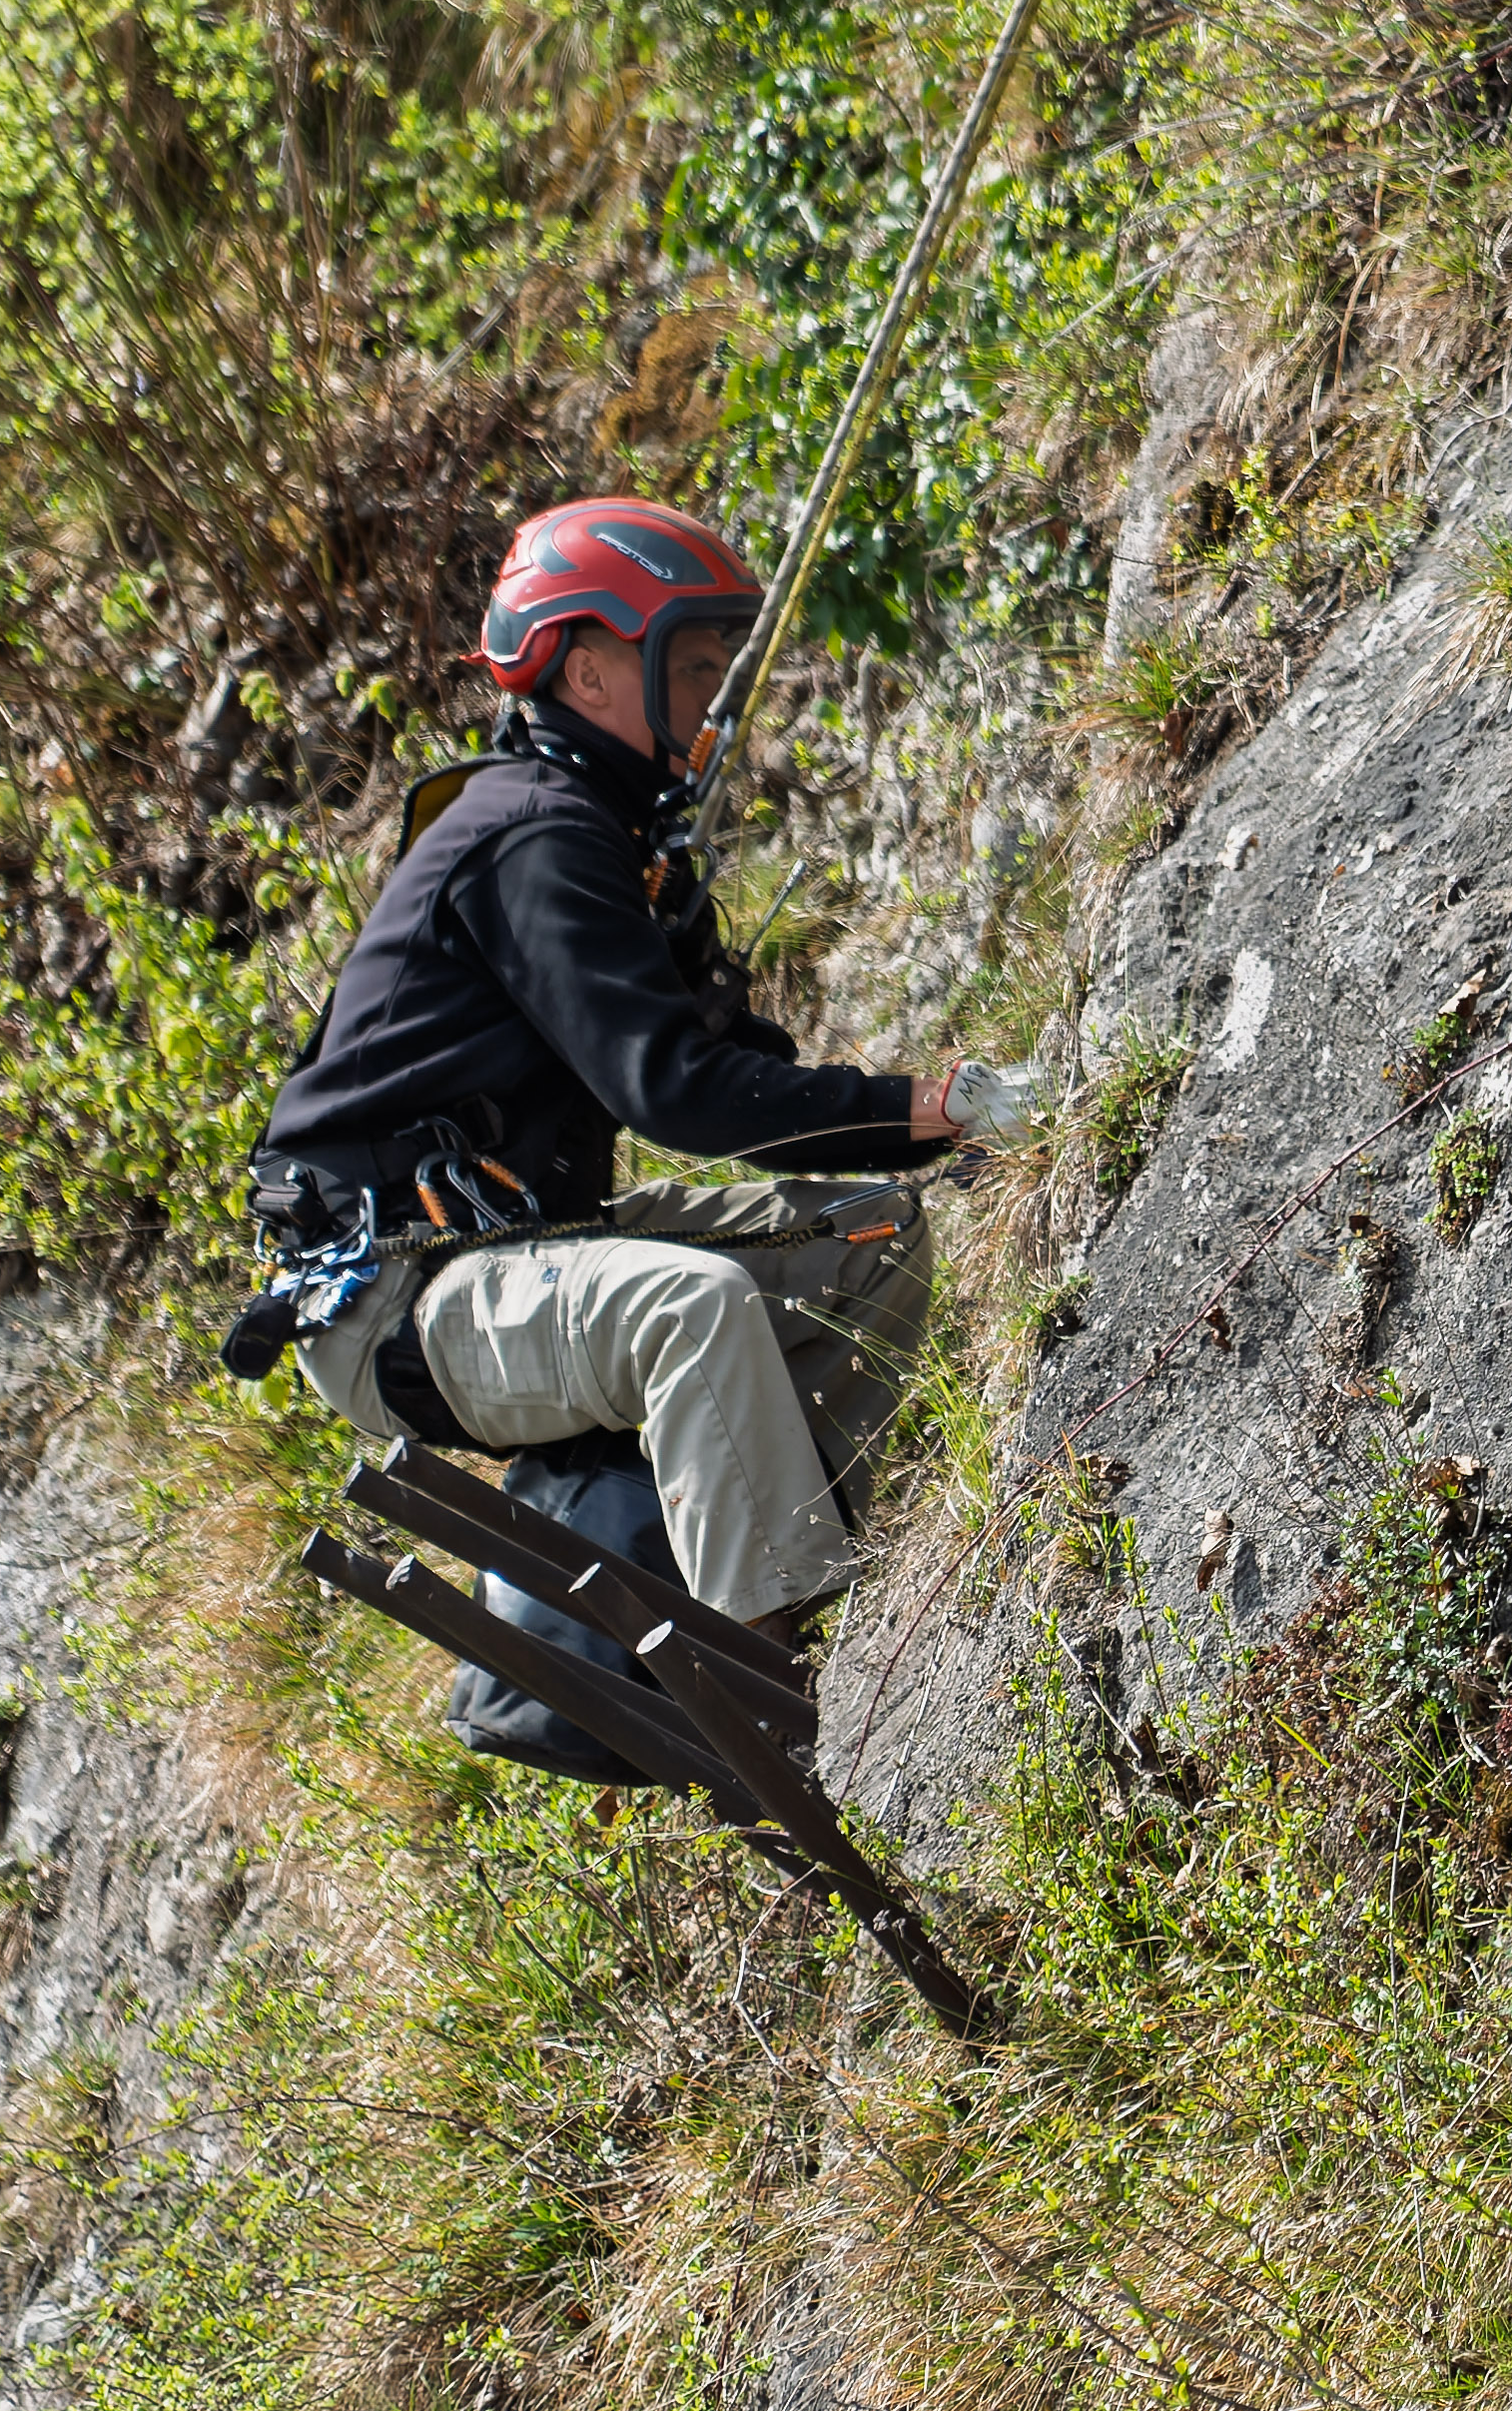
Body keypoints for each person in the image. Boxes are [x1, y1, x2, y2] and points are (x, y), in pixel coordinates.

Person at [244, 497, 1007, 1630]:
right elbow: (678, 1096)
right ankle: (763, 1674)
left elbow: (735, 1069)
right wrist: (939, 1107)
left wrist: (924, 1126)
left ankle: (814, 1597)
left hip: (510, 1253)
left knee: (869, 1230)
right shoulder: (532, 836)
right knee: (686, 1305)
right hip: (394, 1298)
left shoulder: (609, 841)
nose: (712, 707)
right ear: (592, 671)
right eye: (692, 670)